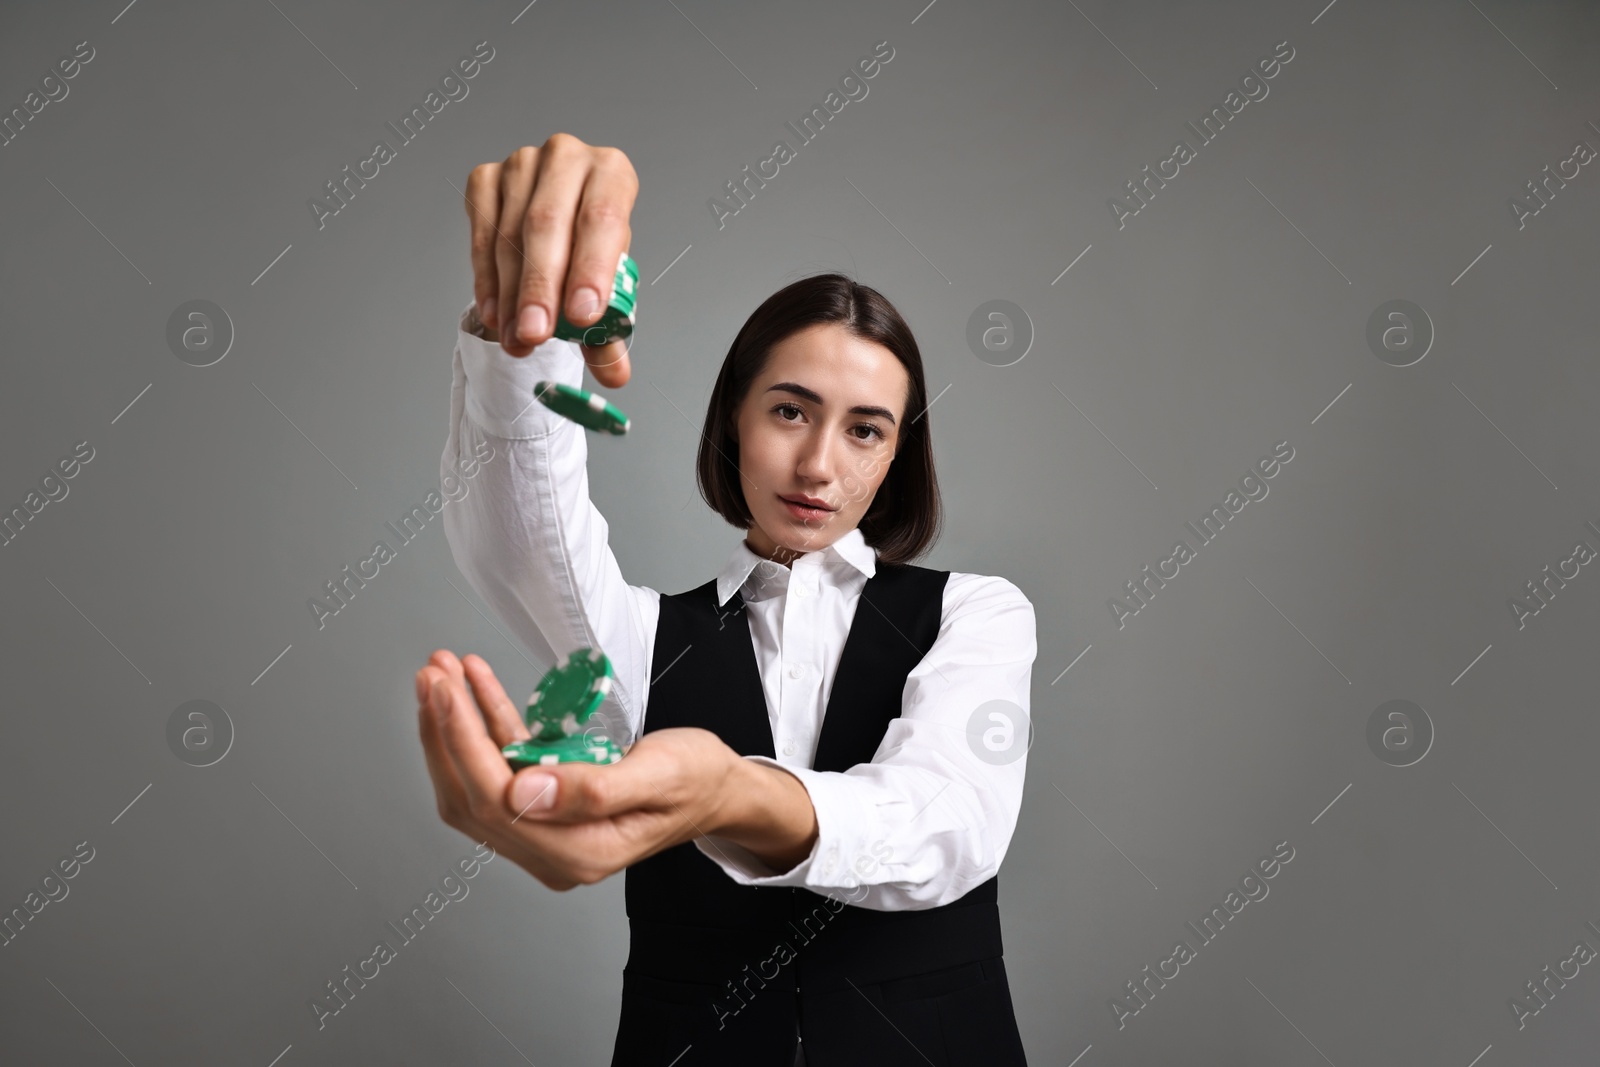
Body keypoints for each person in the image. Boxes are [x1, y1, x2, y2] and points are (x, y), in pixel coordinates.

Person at [414, 133, 1036, 1066]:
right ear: (734, 418)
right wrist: (527, 335)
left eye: (864, 430)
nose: (820, 464)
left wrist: (727, 790)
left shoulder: (979, 612)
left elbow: (946, 821)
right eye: (789, 410)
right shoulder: (642, 637)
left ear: (894, 455)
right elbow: (522, 535)